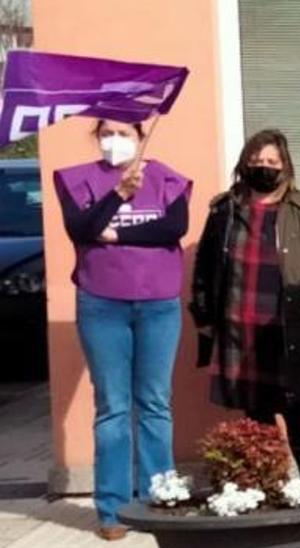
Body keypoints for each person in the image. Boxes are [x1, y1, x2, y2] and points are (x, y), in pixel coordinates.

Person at [53, 118, 191, 541]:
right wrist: (118, 195)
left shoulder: (169, 179)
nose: (116, 140)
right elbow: (80, 228)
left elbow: (172, 229)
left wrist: (110, 233)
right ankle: (112, 510)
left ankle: (159, 498)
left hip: (158, 306)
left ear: (138, 136)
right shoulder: (76, 179)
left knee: (154, 403)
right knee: (112, 406)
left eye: (124, 133)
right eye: (107, 133)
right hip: (102, 304)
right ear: (96, 137)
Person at [189, 129, 300, 484]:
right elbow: (205, 266)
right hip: (239, 325)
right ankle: (270, 484)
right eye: (257, 161)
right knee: (256, 412)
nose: (264, 167)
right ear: (244, 164)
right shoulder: (224, 210)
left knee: (298, 410)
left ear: (285, 166)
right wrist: (202, 316)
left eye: (272, 161)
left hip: (288, 328)